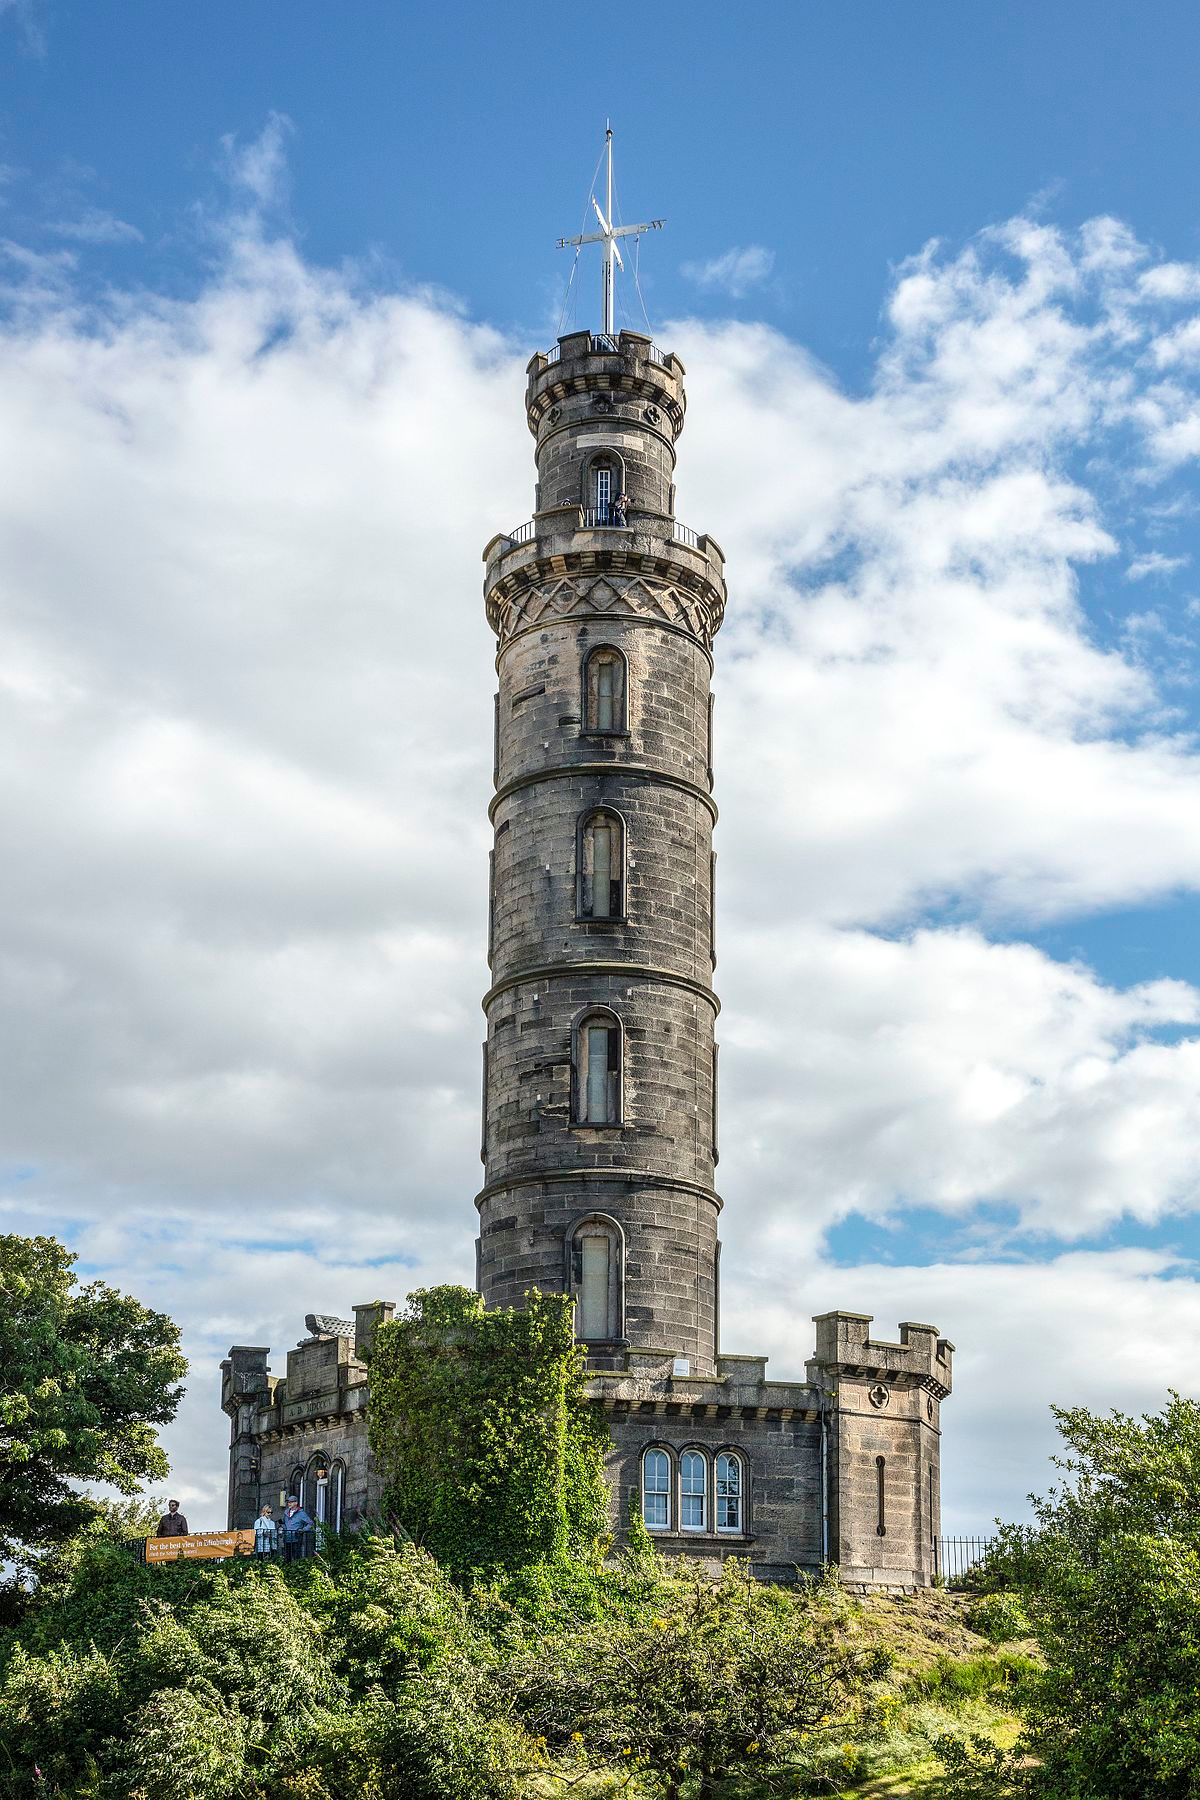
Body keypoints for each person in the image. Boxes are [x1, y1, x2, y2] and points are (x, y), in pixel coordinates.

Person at [280, 1493, 314, 1562]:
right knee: (287, 1558)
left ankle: (296, 1569)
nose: (289, 1504)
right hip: (286, 1538)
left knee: (296, 1557)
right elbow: (283, 1523)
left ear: (296, 1503)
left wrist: (302, 1530)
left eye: (291, 1502)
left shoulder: (301, 1513)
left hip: (296, 1538)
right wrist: (283, 1528)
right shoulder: (286, 1512)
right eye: (288, 1502)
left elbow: (311, 1523)